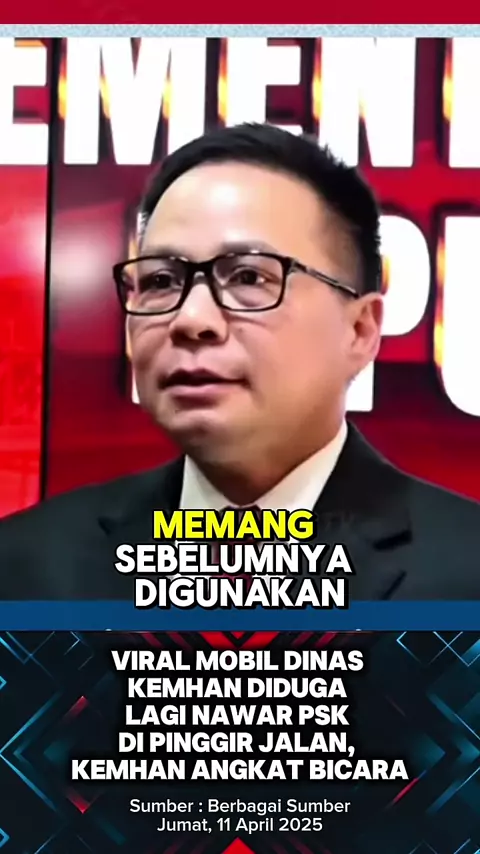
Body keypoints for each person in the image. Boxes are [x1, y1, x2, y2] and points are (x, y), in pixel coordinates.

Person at [1, 122, 480, 600]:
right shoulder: (26, 569)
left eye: (248, 277)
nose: (191, 319)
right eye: (162, 281)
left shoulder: (464, 577)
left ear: (360, 331)